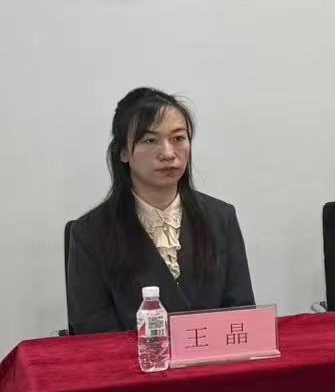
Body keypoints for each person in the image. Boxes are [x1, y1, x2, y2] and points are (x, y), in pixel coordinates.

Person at [65, 88, 255, 334]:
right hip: (133, 358)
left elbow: (241, 313)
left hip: (213, 356)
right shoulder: (90, 233)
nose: (168, 154)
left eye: (178, 138)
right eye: (150, 140)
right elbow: (92, 331)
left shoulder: (221, 218)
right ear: (123, 152)